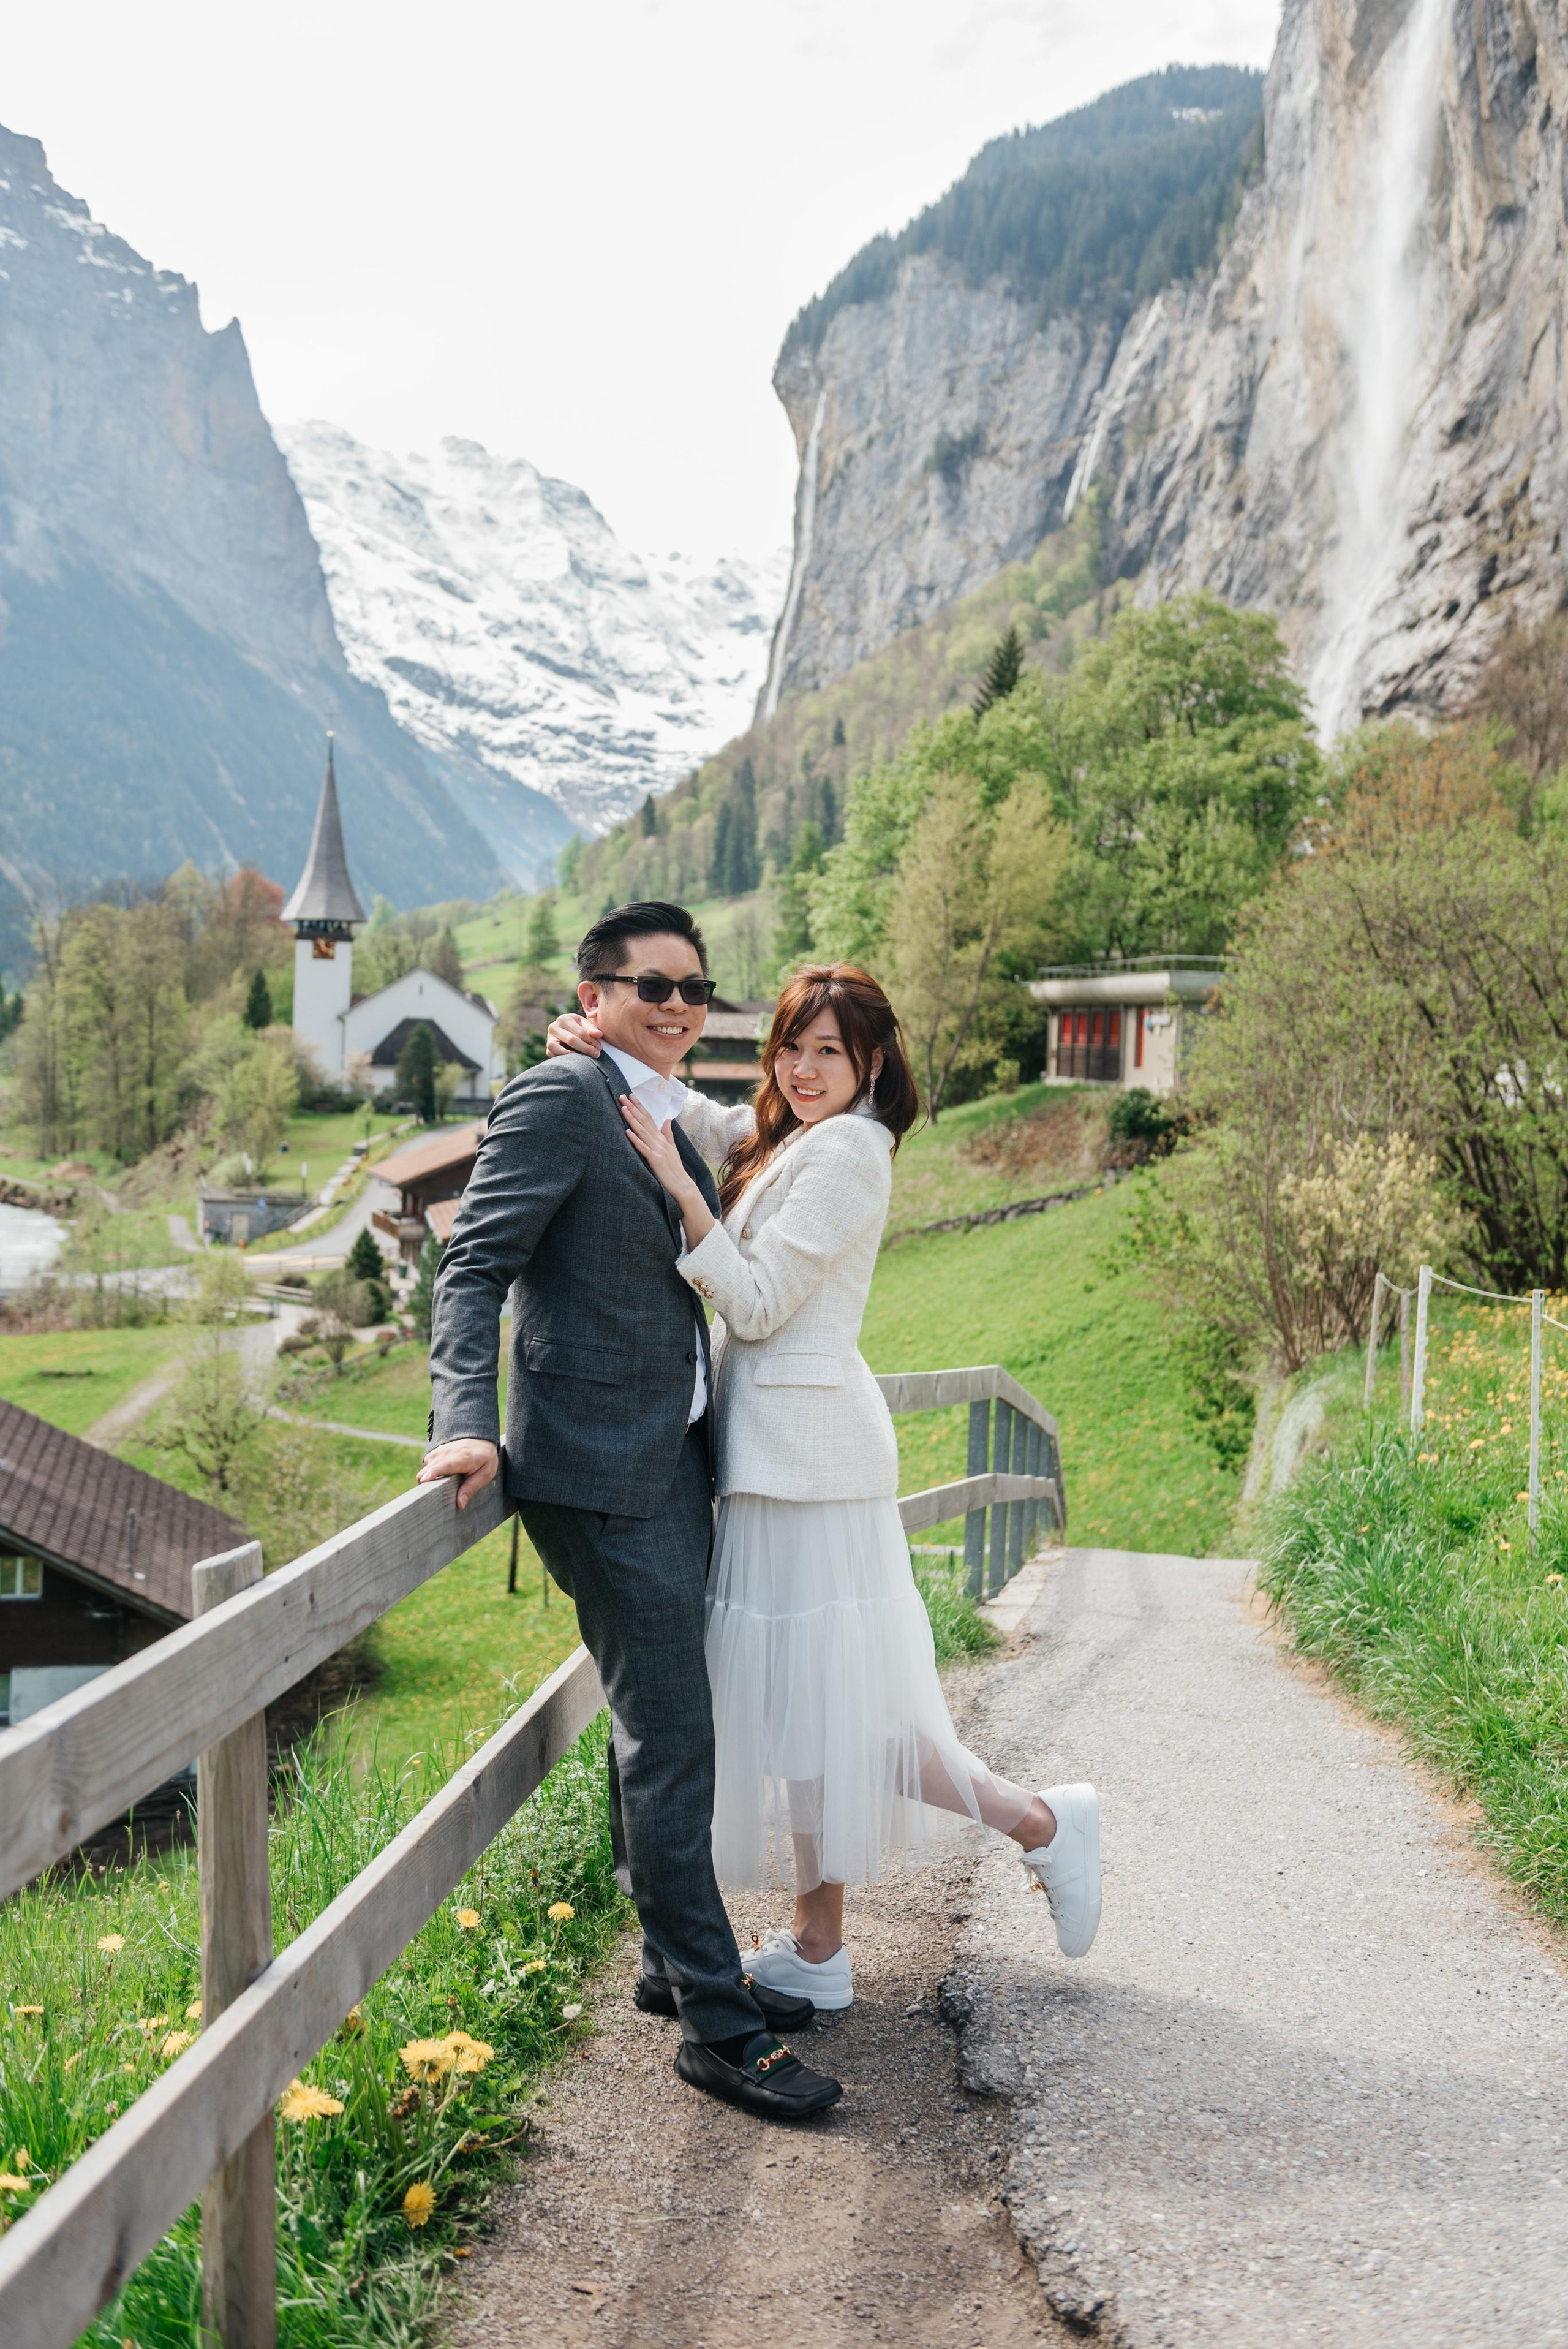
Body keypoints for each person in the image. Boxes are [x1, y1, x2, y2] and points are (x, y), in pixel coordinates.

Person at [546, 960, 1100, 2012]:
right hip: (771, 1466)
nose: (803, 1068)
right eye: (791, 1047)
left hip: (809, 1469)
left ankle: (1041, 1821)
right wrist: (607, 1052)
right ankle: (821, 1945)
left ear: (872, 1063)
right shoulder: (795, 1135)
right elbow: (710, 1120)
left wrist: (675, 1190)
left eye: (829, 1051)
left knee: (841, 1713)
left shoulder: (850, 1151)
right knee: (815, 1712)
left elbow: (755, 1306)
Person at [418, 901, 843, 2120]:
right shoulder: (558, 1099)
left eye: (693, 990)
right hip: (598, 1472)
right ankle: (717, 2028)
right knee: (675, 1737)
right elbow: (474, 1263)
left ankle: (671, 1968)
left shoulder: (654, 1101)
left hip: (671, 1459)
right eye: (649, 986)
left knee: (661, 1724)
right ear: (592, 993)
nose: (674, 1005)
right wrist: (460, 1419)